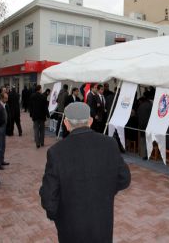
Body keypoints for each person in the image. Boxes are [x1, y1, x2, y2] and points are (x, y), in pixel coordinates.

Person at [39, 102, 131, 242]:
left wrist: (56, 215)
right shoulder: (109, 144)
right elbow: (124, 179)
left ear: (66, 123)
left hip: (70, 227)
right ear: (90, 121)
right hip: (102, 223)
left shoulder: (56, 152)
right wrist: (105, 191)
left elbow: (48, 196)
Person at [0, 92, 10, 170]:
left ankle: (1, 160)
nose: (7, 99)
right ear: (2, 98)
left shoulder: (4, 105)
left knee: (3, 145)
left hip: (4, 128)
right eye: (6, 98)